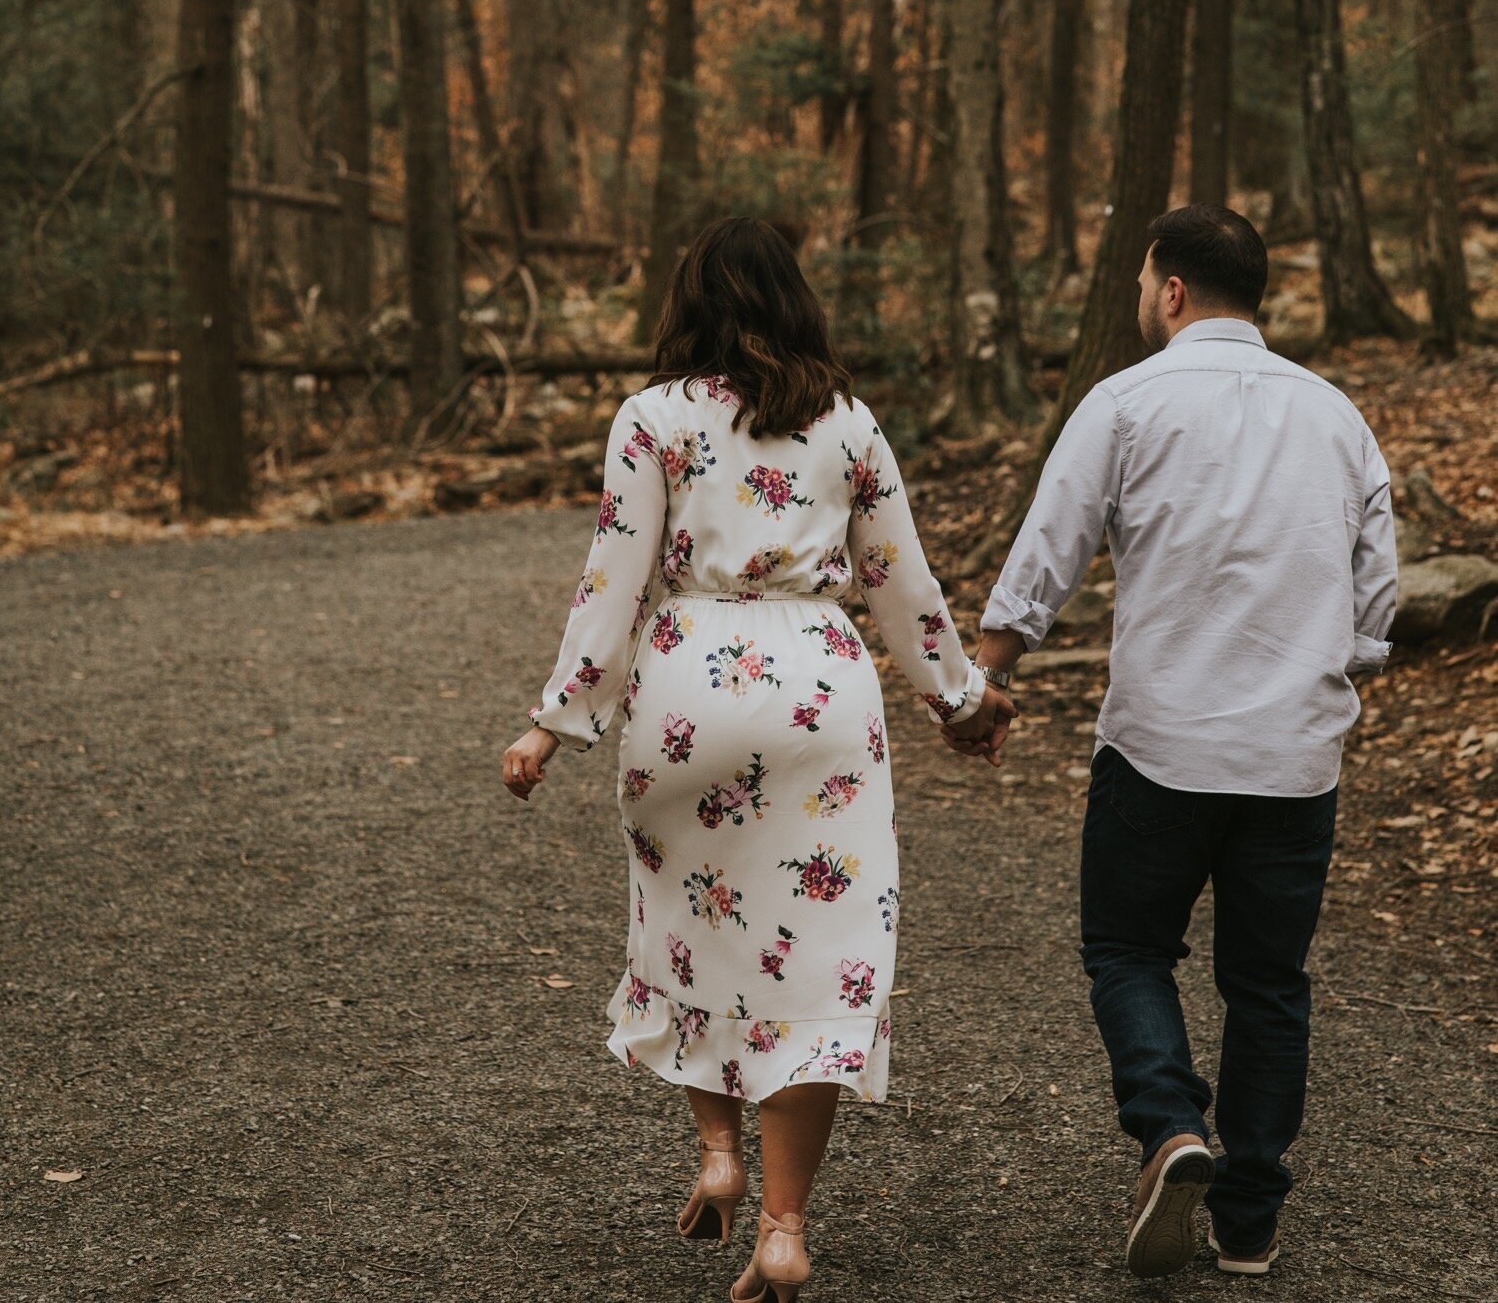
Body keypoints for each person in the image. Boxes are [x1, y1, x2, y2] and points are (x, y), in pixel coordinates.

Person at [503, 216, 1006, 1301]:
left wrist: (552, 721)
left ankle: (718, 1151)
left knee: (690, 921)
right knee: (819, 957)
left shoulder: (652, 419)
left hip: (688, 679)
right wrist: (961, 701)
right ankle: (783, 1225)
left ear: (689, 301)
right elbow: (903, 589)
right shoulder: (850, 427)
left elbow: (615, 581)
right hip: (817, 686)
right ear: (795, 300)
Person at [955, 203, 1397, 1279]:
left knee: (1127, 950)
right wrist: (1332, 666)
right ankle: (1249, 1217)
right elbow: (1375, 602)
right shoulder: (1338, 417)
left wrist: (987, 679)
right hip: (1294, 758)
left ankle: (1169, 1127)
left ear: (1170, 293)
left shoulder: (1126, 402)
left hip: (1158, 743)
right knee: (1269, 984)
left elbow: (1046, 553)